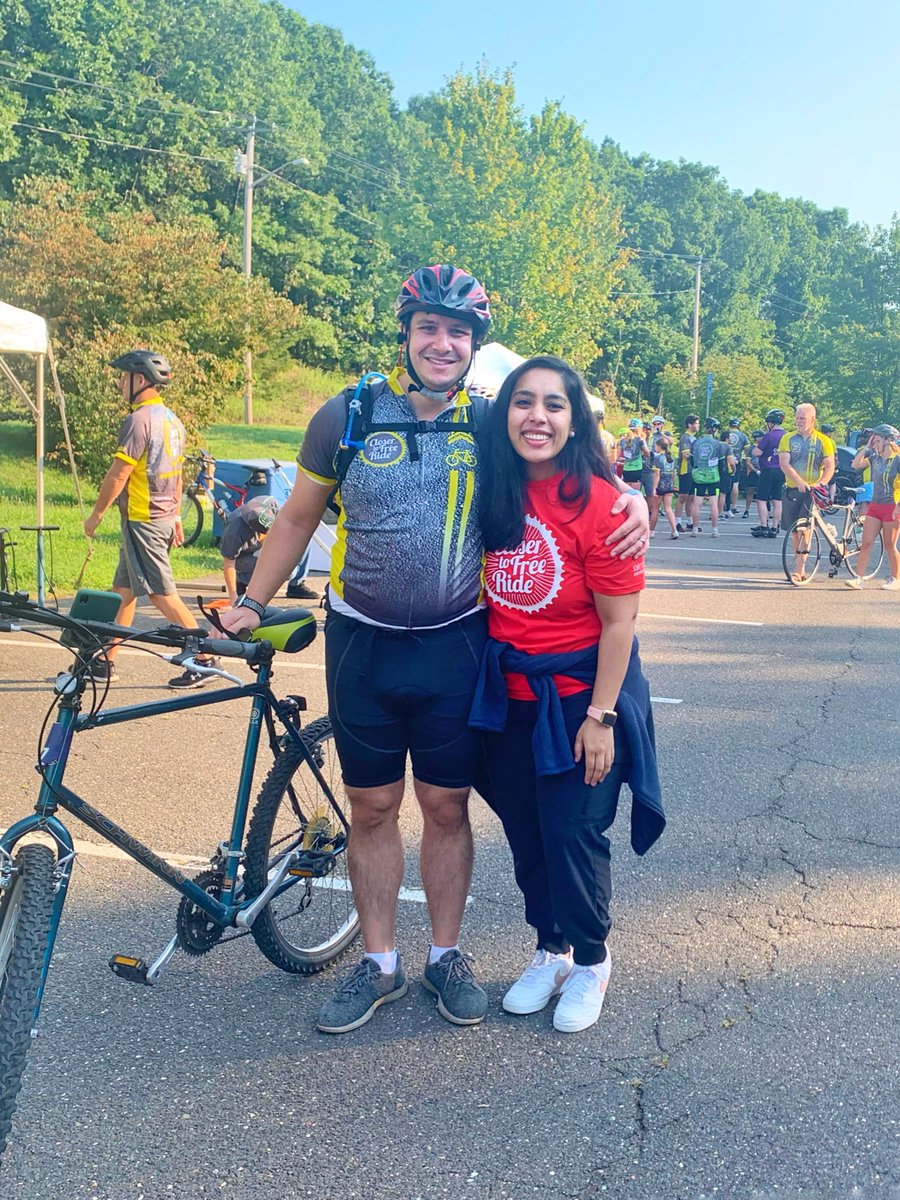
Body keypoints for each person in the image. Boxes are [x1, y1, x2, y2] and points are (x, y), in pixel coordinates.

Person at [213, 265, 651, 1034]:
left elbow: (579, 449)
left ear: (474, 344)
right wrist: (249, 603)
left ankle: (446, 957)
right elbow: (293, 520)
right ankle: (379, 963)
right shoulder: (346, 414)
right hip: (364, 646)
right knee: (371, 807)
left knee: (446, 808)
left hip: (456, 645)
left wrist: (636, 500)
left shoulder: (489, 418)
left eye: (458, 331)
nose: (442, 343)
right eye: (429, 328)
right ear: (407, 334)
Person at [469, 354, 663, 1033]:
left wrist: (601, 718)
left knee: (574, 833)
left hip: (581, 700)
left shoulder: (606, 505)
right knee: (527, 835)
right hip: (509, 701)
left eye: (554, 404)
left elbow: (620, 623)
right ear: (505, 414)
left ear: (576, 419)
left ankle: (590, 960)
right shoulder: (491, 486)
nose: (538, 417)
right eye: (524, 402)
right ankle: (548, 949)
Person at [82, 349, 216, 689]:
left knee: (160, 593)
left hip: (144, 519)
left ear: (139, 380)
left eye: (122, 376)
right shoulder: (171, 420)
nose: (117, 382)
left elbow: (118, 475)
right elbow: (176, 472)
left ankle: (204, 659)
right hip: (159, 517)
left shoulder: (139, 420)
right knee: (123, 591)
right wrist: (175, 517)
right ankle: (105, 661)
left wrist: (95, 516)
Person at [778, 404, 835, 584]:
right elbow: (784, 464)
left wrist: (820, 484)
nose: (798, 421)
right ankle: (798, 564)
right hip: (792, 489)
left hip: (812, 492)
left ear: (812, 419)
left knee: (805, 529)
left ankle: (799, 568)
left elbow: (830, 466)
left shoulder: (823, 440)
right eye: (797, 417)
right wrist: (799, 481)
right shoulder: (788, 438)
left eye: (802, 418)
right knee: (794, 531)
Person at [846, 425, 900, 590]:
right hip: (875, 505)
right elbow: (856, 464)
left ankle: (895, 578)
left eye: (877, 440)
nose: (875, 444)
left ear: (888, 440)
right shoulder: (874, 458)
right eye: (874, 441)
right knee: (867, 542)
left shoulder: (898, 459)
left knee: (890, 545)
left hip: (892, 506)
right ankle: (859, 578)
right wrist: (867, 447)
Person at [689, 418, 733, 538]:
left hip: (699, 475)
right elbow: (721, 463)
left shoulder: (696, 442)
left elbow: (692, 460)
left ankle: (694, 529)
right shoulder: (718, 444)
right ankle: (714, 530)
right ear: (714, 429)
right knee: (714, 503)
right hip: (713, 476)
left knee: (697, 503)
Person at [751, 409, 786, 538]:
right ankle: (774, 527)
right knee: (777, 500)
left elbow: (757, 452)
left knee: (762, 499)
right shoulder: (786, 436)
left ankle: (764, 526)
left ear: (770, 422)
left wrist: (754, 449)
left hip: (767, 469)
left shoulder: (769, 436)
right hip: (781, 469)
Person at [649, 436, 679, 539]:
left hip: (661, 485)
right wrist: (673, 483)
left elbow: (657, 474)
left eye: (656, 446)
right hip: (669, 484)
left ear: (659, 446)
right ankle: (674, 530)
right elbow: (673, 473)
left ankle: (651, 531)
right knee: (668, 508)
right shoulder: (671, 458)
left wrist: (654, 488)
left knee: (655, 509)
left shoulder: (658, 458)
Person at [675, 414, 700, 532]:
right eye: (696, 423)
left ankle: (690, 522)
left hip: (693, 470)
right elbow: (686, 454)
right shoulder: (685, 437)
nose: (698, 425)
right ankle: (677, 522)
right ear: (690, 424)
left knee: (691, 497)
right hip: (685, 470)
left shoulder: (695, 438)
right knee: (682, 497)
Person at [723, 417, 749, 516]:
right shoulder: (742, 435)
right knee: (735, 484)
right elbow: (747, 449)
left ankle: (724, 505)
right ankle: (733, 506)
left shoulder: (725, 434)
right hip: (736, 461)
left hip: (725, 461)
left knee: (724, 484)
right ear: (738, 425)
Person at [618, 419, 648, 492]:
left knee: (627, 494)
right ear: (639, 428)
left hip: (626, 469)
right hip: (636, 469)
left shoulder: (622, 441)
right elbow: (647, 453)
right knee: (635, 494)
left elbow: (618, 457)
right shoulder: (640, 440)